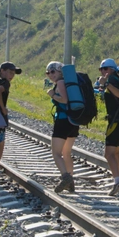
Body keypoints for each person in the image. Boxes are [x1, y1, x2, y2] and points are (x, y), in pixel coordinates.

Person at [97, 58, 119, 196]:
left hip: (117, 121)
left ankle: (117, 182)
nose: (103, 72)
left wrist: (107, 84)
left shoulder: (113, 80)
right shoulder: (118, 79)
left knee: (108, 154)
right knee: (116, 152)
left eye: (105, 69)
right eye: (101, 69)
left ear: (111, 69)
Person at [45, 61, 78, 193]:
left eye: (53, 71)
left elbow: (64, 100)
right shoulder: (68, 82)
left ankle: (66, 177)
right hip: (73, 121)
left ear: (60, 71)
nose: (50, 75)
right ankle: (71, 182)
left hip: (63, 121)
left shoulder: (60, 83)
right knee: (66, 153)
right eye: (48, 72)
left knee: (56, 153)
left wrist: (52, 95)